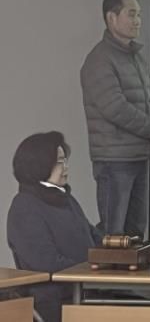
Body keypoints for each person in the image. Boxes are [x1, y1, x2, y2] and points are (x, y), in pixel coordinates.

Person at [80, 0, 150, 237]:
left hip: (138, 155)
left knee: (135, 232)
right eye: (131, 14)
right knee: (114, 234)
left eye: (139, 15)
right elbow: (115, 107)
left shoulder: (135, 57)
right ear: (112, 18)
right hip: (114, 160)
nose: (138, 21)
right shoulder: (99, 60)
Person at [7, 132, 102, 322]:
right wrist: (93, 268)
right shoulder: (24, 206)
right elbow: (46, 263)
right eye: (59, 162)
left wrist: (115, 256)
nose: (65, 167)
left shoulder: (66, 198)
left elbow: (93, 237)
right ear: (39, 165)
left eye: (65, 160)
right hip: (56, 300)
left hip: (88, 290)